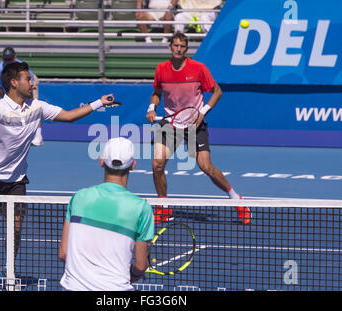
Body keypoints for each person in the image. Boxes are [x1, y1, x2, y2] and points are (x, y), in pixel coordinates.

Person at [0, 61, 116, 282]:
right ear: (14, 83)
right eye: (28, 78)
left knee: (16, 227)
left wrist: (98, 103)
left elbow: (69, 115)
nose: (32, 82)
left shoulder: (37, 107)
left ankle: (9, 269)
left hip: (16, 179)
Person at [145, 32, 251, 225]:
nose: (178, 49)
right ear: (170, 47)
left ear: (186, 49)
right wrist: (151, 107)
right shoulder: (161, 69)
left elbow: (217, 91)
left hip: (195, 124)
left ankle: (237, 200)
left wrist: (203, 111)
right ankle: (163, 207)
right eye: (175, 45)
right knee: (157, 165)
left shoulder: (198, 69)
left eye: (182, 46)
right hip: (170, 123)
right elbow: (157, 92)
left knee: (206, 166)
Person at [58, 137, 154, 291]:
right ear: (133, 166)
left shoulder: (79, 198)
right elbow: (141, 266)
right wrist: (134, 274)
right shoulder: (141, 208)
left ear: (101, 161)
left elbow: (63, 253)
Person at [0, 47, 44, 146]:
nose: (8, 62)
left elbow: (30, 82)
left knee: (33, 108)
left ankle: (38, 136)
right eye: (6, 60)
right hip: (15, 86)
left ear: (15, 58)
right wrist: (6, 100)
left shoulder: (22, 68)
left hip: (30, 84)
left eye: (10, 60)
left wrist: (27, 98)